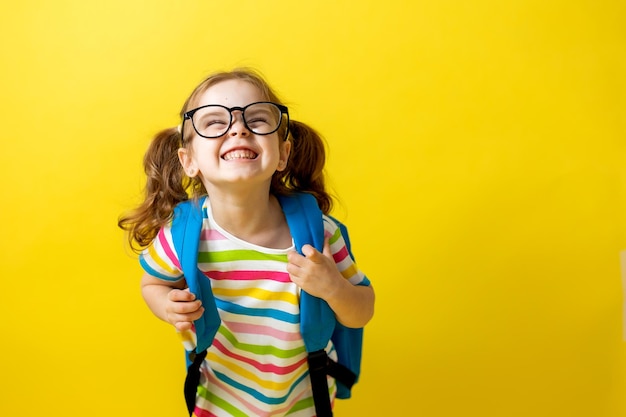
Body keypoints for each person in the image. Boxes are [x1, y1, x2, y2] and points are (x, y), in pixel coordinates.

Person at [118, 68, 374, 417]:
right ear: (188, 160)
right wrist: (167, 305)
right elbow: (152, 283)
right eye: (213, 123)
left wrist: (333, 288)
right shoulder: (182, 235)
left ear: (282, 154)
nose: (238, 128)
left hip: (305, 402)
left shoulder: (321, 235)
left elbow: (362, 309)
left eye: (256, 119)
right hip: (218, 401)